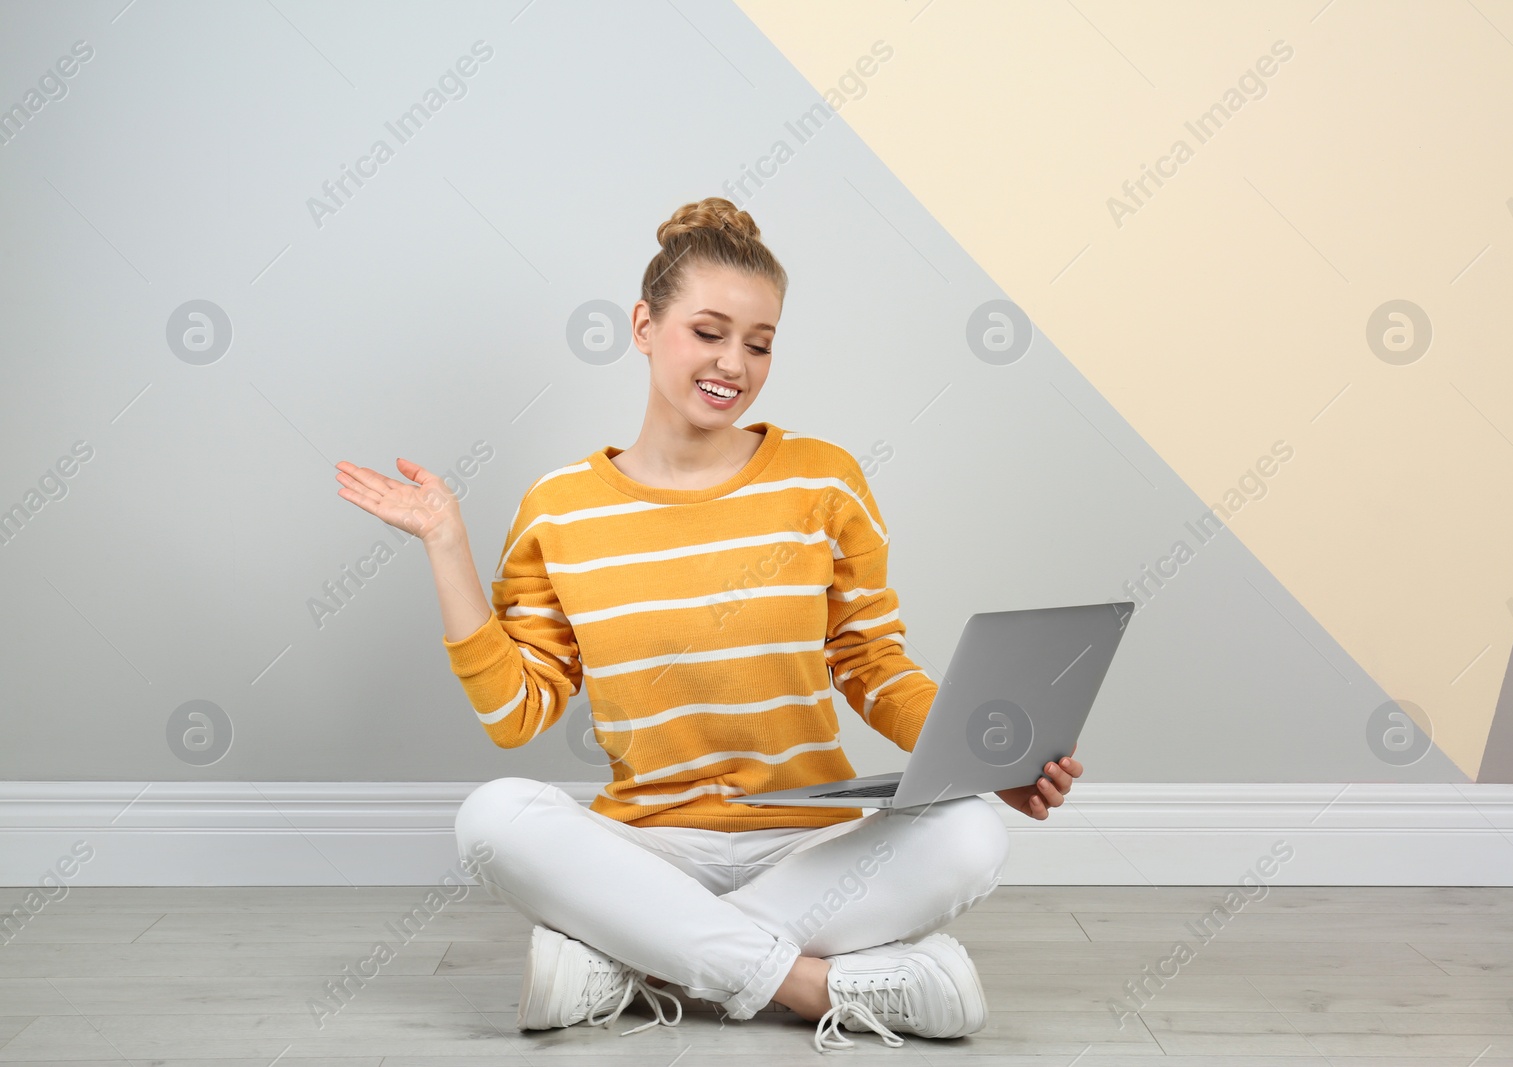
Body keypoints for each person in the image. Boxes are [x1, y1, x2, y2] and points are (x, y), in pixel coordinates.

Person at [333, 196, 1083, 1052]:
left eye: (759, 343)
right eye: (709, 332)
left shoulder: (823, 482)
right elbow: (517, 715)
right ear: (645, 325)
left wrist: (987, 756)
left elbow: (872, 664)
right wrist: (446, 544)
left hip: (812, 842)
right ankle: (810, 985)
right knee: (493, 815)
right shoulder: (561, 510)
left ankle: (634, 963)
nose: (734, 362)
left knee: (975, 830)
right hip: (647, 850)